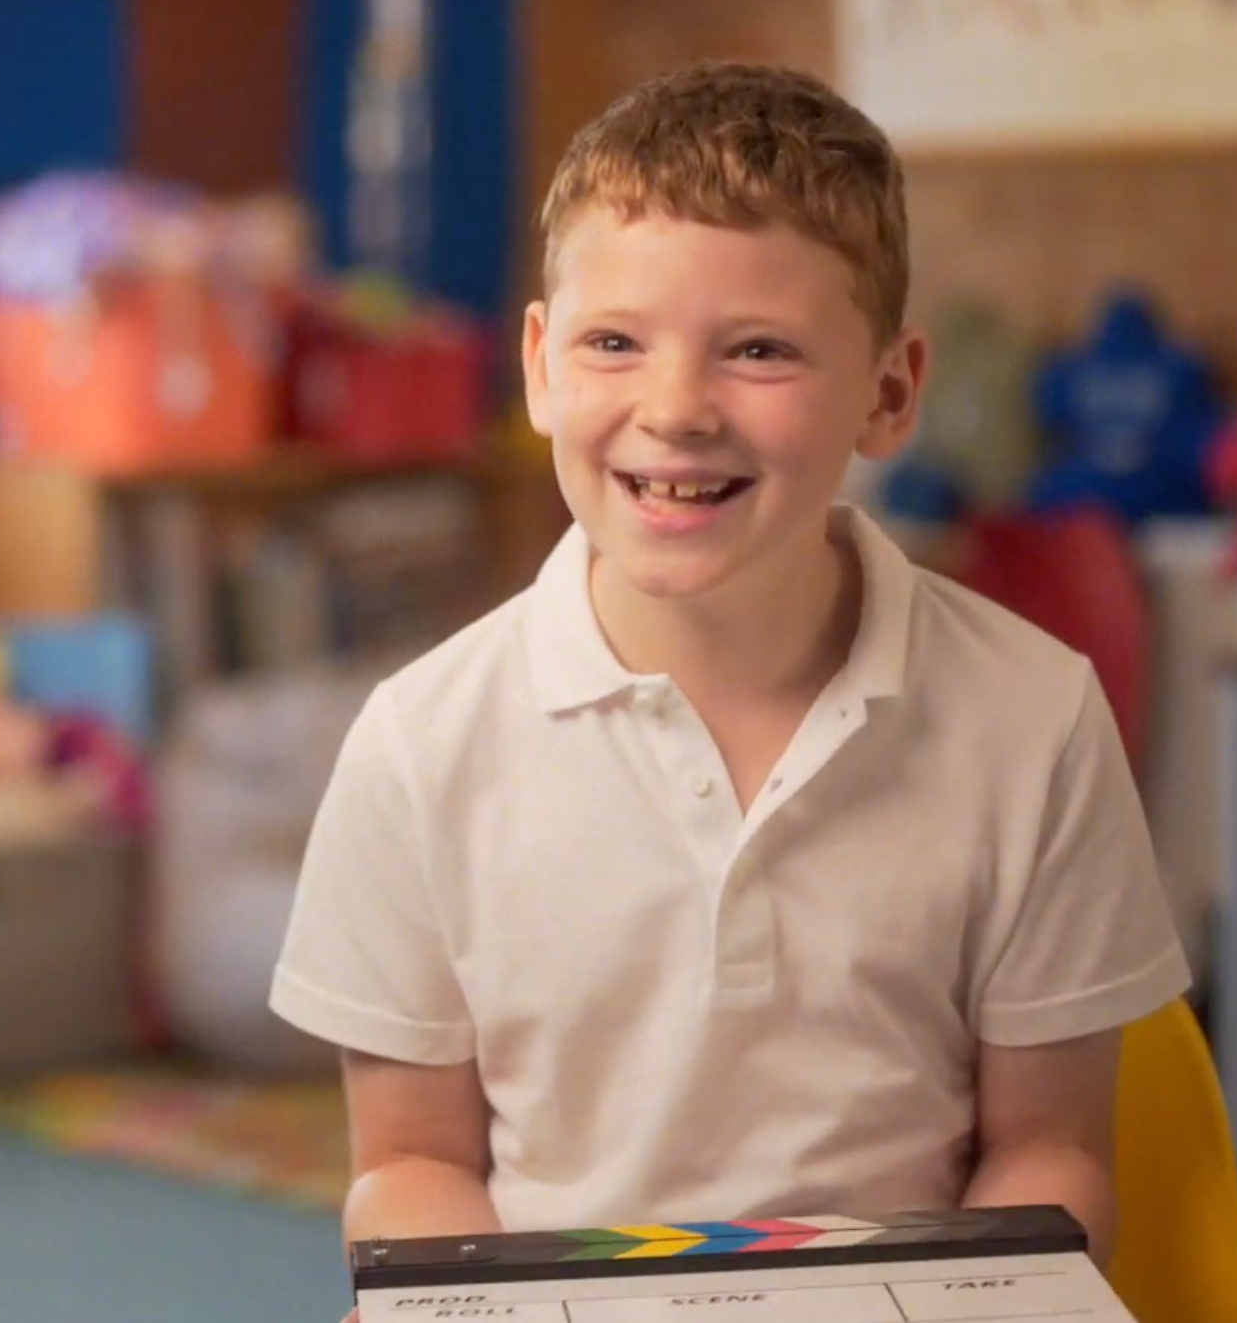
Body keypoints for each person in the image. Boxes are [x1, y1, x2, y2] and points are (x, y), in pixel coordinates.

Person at [271, 63, 1188, 1267]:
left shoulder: (1035, 715)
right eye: (613, 342)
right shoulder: (417, 742)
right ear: (540, 366)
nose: (675, 407)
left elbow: (1047, 1153)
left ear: (891, 388)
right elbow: (407, 1166)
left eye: (756, 349)